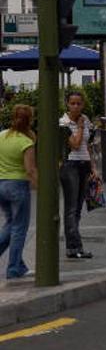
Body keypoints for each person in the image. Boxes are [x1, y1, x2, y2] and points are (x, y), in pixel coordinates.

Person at [0, 105, 37, 278]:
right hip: (18, 185)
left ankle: (19, 265)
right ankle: (14, 268)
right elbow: (29, 169)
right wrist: (37, 185)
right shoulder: (26, 142)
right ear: (30, 120)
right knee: (19, 228)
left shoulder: (1, 135)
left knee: (11, 224)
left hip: (1, 184)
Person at [60, 91, 96, 259]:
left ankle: (73, 246)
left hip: (84, 165)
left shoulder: (86, 119)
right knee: (71, 208)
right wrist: (80, 126)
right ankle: (74, 247)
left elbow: (87, 145)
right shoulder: (63, 123)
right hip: (70, 166)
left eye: (79, 103)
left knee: (78, 208)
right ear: (67, 104)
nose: (75, 106)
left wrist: (94, 168)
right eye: (72, 103)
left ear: (83, 104)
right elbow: (74, 145)